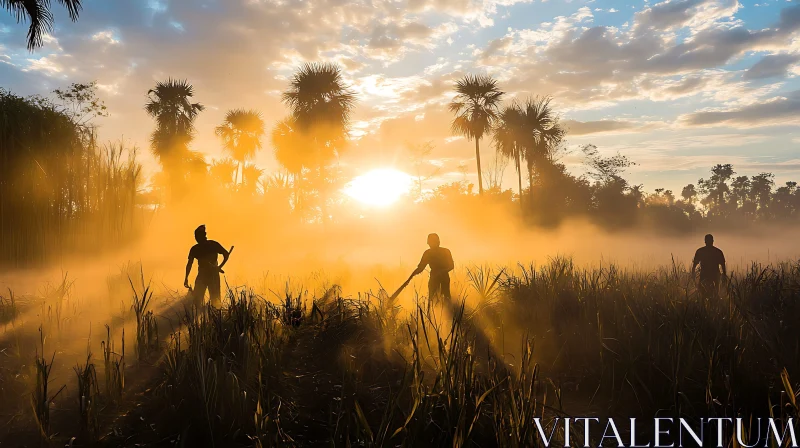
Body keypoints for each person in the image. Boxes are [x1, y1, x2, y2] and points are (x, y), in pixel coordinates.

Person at [184, 225, 230, 307]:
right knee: (200, 300)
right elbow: (189, 264)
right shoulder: (197, 248)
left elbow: (226, 254)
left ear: (201, 236)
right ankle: (199, 316)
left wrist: (219, 267)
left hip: (210, 275)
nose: (196, 238)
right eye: (195, 236)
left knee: (214, 300)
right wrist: (186, 278)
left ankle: (213, 317)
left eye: (197, 236)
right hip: (205, 275)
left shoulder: (210, 245)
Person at [410, 233, 454, 301]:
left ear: (438, 242)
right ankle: (433, 311)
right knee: (433, 298)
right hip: (434, 278)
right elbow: (421, 268)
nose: (430, 244)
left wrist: (441, 272)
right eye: (430, 242)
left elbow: (451, 266)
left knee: (446, 298)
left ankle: (448, 310)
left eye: (432, 241)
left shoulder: (445, 251)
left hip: (444, 278)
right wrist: (412, 275)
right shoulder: (427, 253)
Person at [691, 234, 726, 299]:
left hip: (707, 276)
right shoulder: (718, 251)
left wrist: (693, 274)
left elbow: (694, 265)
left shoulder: (700, 251)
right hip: (712, 276)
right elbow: (723, 266)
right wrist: (724, 276)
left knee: (704, 295)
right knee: (712, 295)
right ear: (713, 241)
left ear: (705, 241)